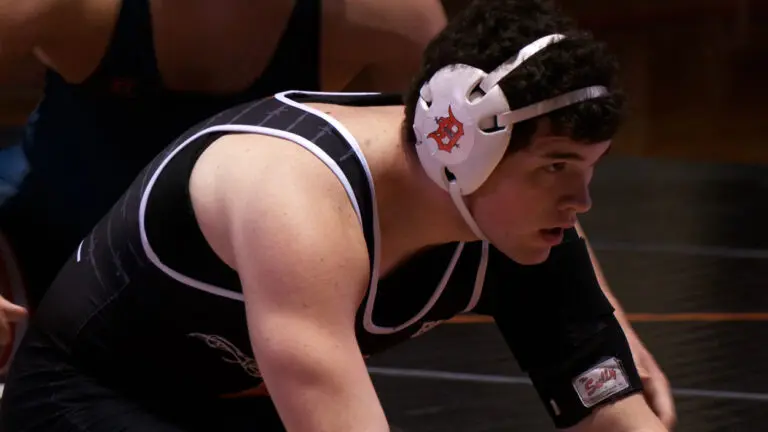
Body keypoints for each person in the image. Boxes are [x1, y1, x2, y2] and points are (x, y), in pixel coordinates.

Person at [0, 0, 672, 430]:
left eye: (589, 170)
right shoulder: (296, 205)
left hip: (241, 398)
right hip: (88, 392)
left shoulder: (506, 208)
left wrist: (605, 324)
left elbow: (609, 409)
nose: (580, 201)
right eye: (557, 168)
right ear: (463, 143)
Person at [0, 0, 448, 315]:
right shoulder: (65, 6)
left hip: (243, 274)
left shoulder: (386, 15)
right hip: (53, 244)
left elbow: (449, 172)